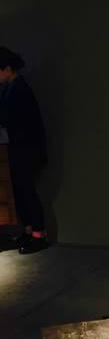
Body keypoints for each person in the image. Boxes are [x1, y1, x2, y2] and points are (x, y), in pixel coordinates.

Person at [0, 47, 48, 254]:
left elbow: (8, 117)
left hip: (27, 150)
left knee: (26, 191)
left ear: (7, 68)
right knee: (20, 191)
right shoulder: (10, 87)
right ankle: (29, 231)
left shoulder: (19, 89)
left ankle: (38, 234)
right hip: (19, 149)